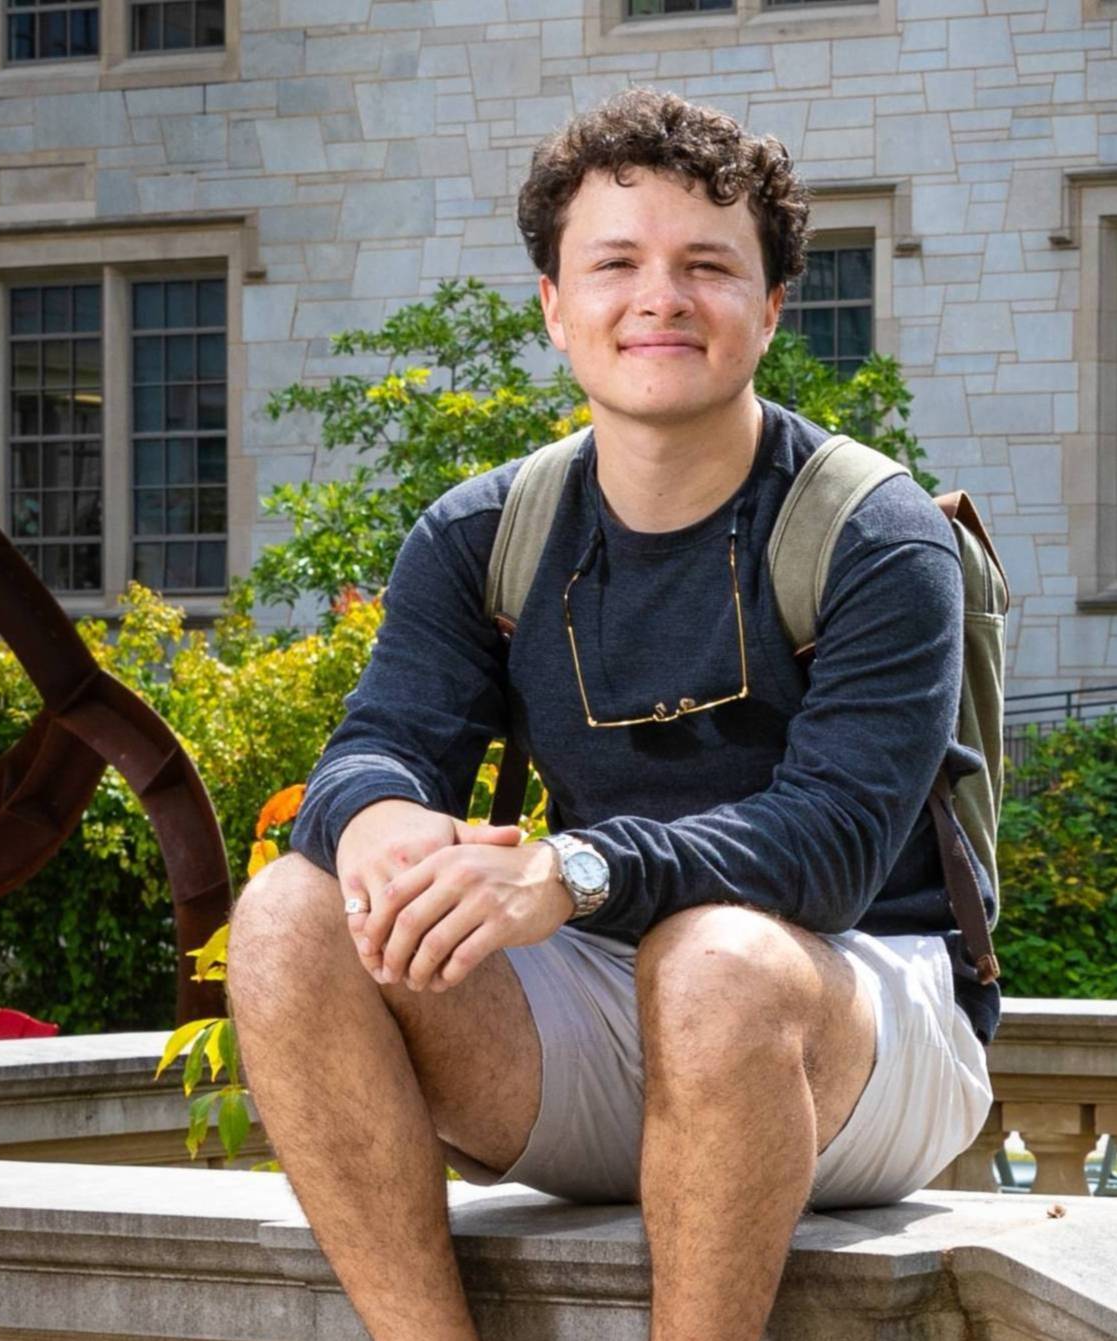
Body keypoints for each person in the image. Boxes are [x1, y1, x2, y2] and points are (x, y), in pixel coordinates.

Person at [227, 88, 998, 1341]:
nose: (662, 298)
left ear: (772, 306)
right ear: (553, 303)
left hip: (862, 1019)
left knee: (718, 960)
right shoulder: (486, 534)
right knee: (285, 915)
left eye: (708, 265)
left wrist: (574, 870)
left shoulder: (875, 535)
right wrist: (367, 817)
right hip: (611, 1011)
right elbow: (379, 745)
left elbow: (831, 849)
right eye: (616, 264)